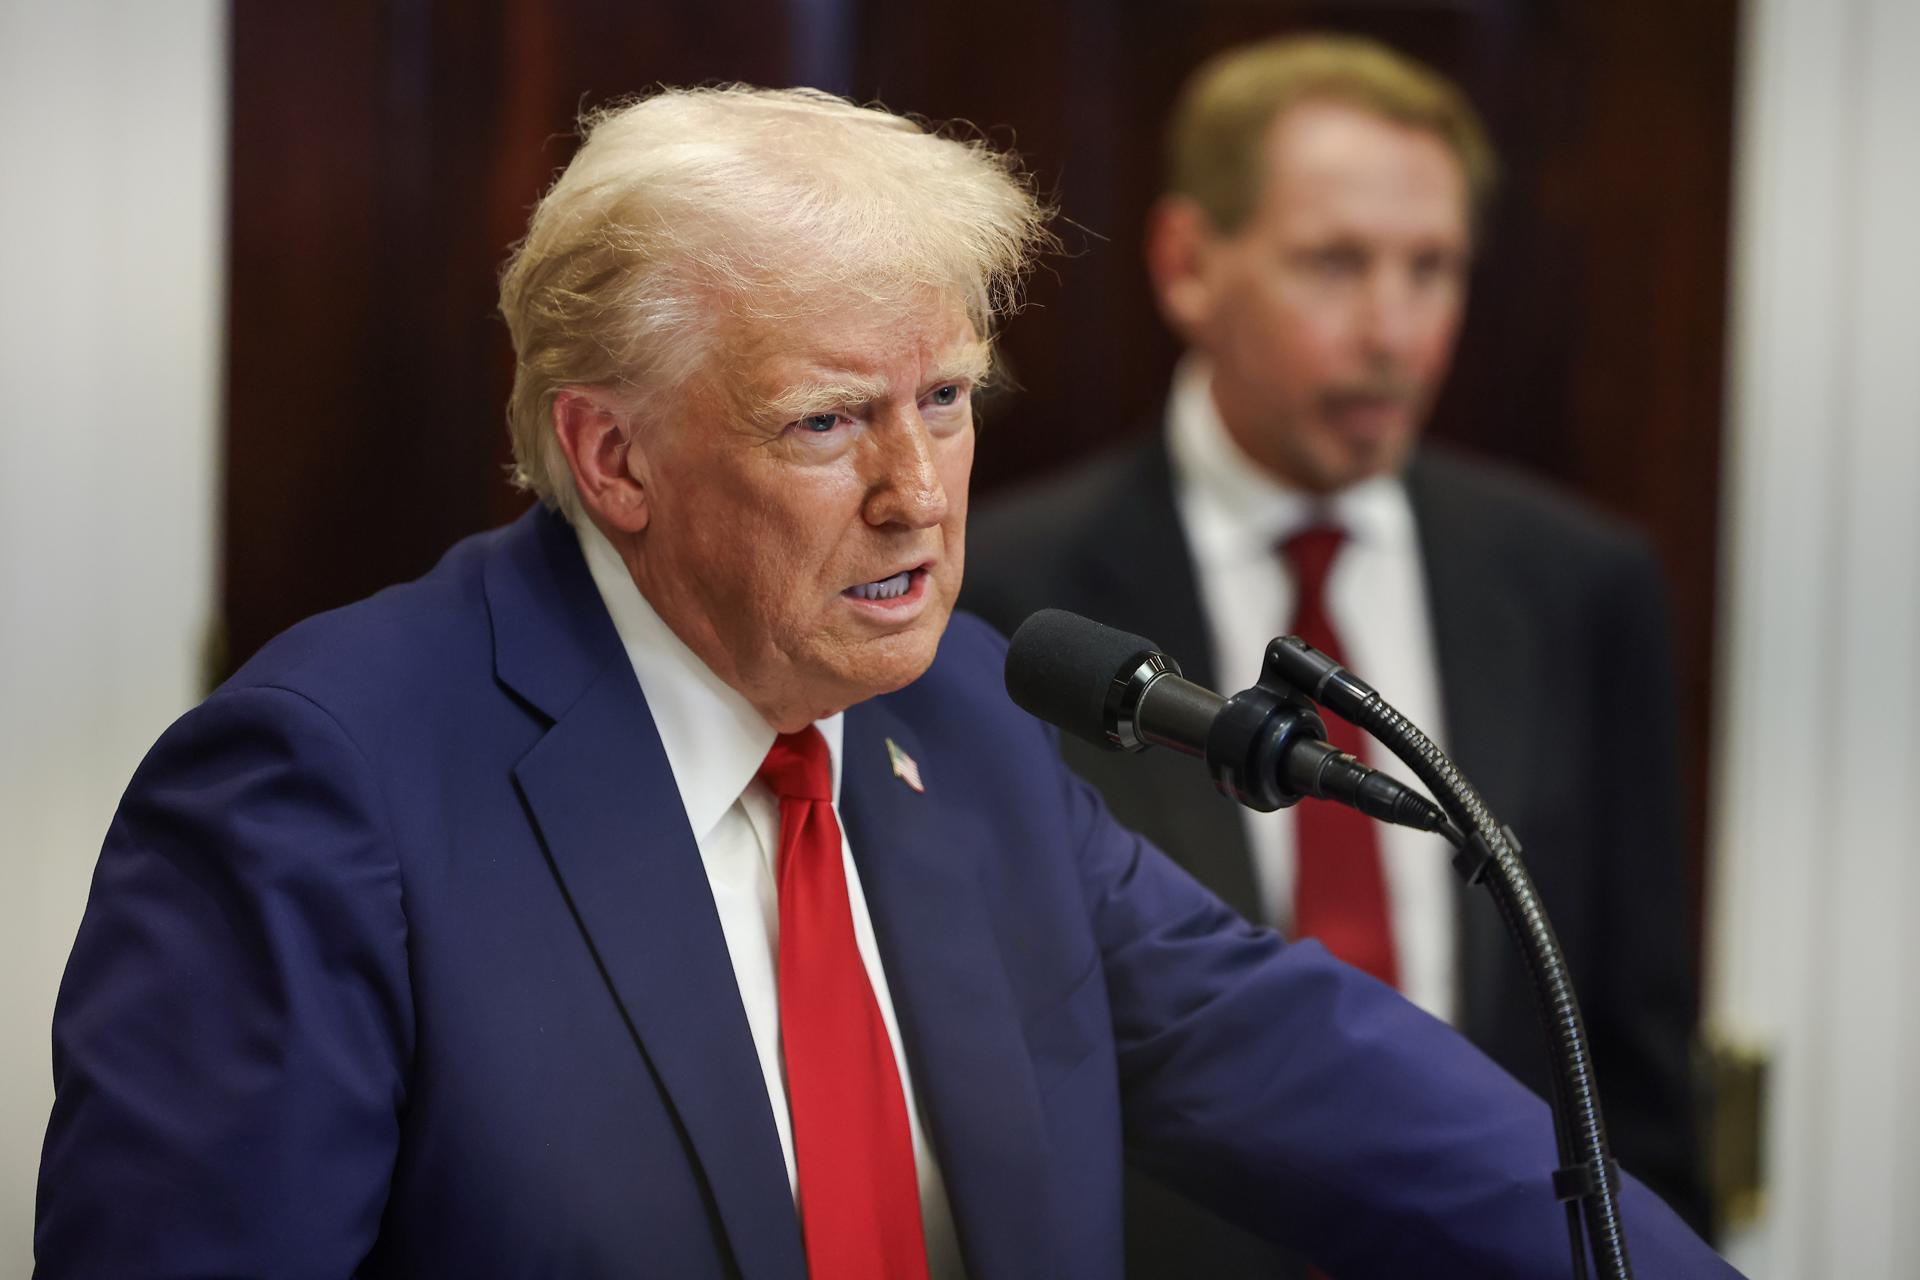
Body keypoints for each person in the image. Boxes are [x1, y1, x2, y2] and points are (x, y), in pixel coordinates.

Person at [36, 85, 1732, 1279]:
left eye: (949, 400)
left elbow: (1309, 1070)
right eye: (829, 421)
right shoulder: (324, 789)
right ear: (610, 455)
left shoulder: (962, 722)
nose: (918, 493)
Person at [963, 34, 1709, 1276]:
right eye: (1336, 263)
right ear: (1188, 264)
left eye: (1433, 269)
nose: (1392, 329)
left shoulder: (1581, 584)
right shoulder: (1004, 597)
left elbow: (1635, 1054)